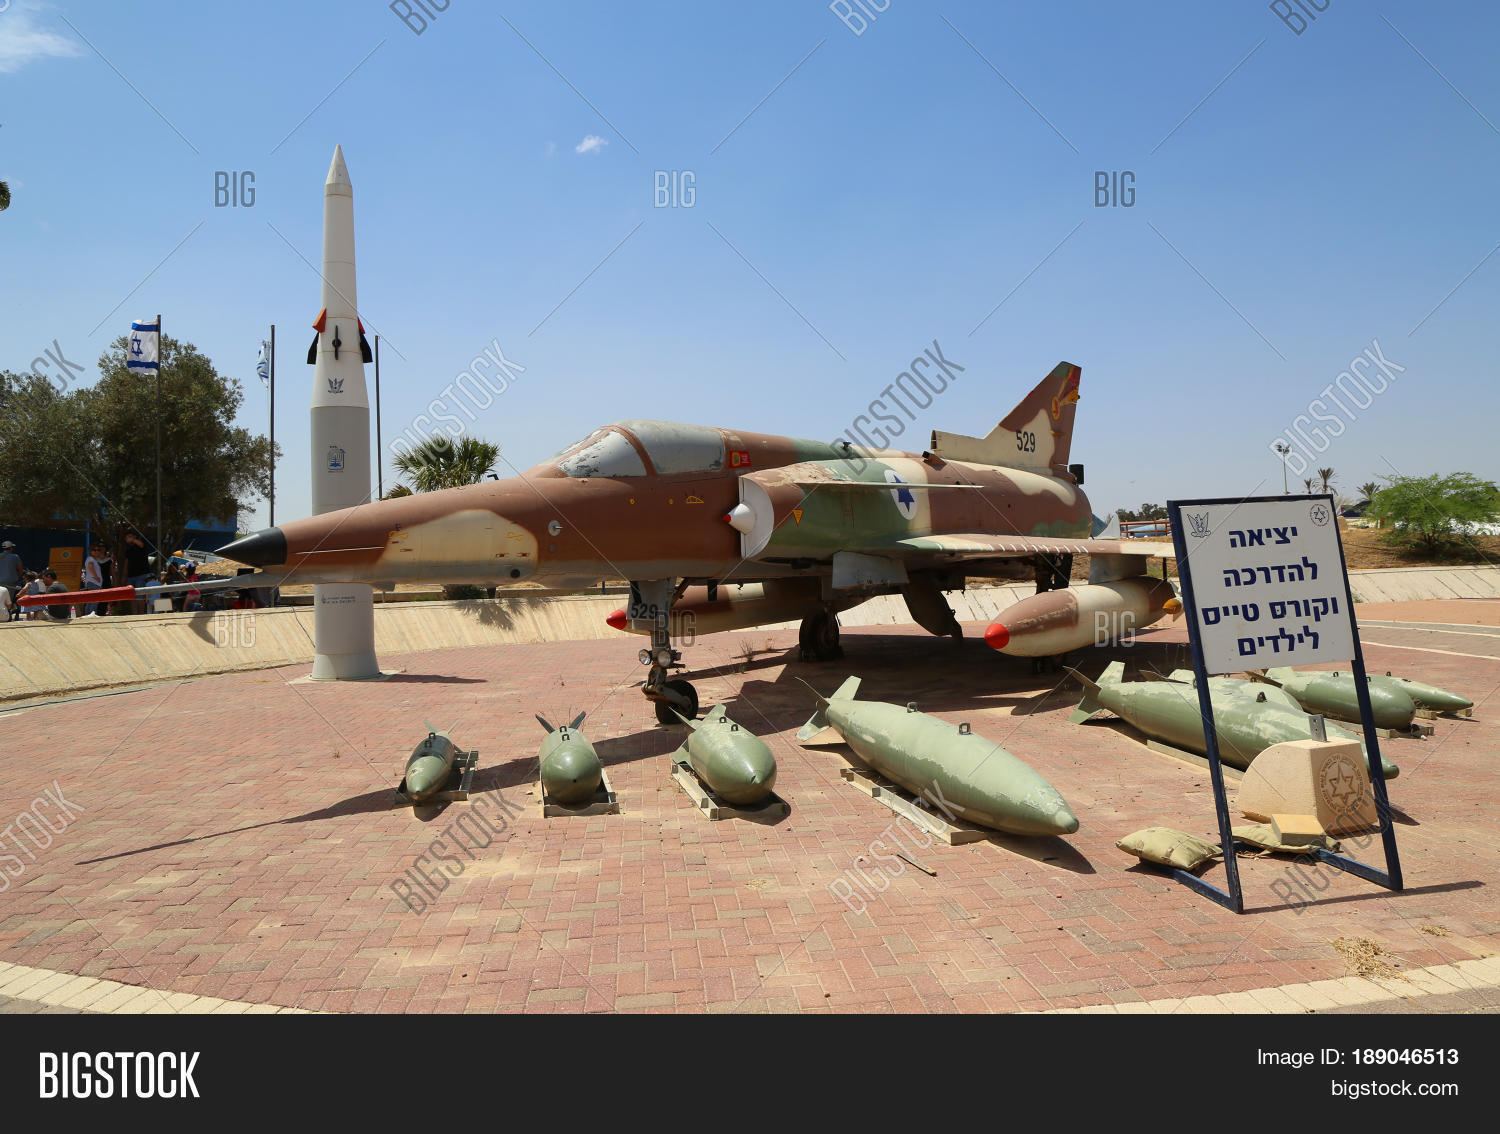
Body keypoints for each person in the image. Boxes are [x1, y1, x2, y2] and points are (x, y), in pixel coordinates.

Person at [122, 530, 152, 614]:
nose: (128, 538)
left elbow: (141, 544)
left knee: (140, 596)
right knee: (132, 597)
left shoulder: (142, 545)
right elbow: (126, 562)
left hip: (142, 575)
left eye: (130, 536)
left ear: (135, 537)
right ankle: (134, 614)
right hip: (130, 576)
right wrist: (124, 575)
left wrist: (132, 539)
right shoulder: (128, 550)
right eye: (127, 537)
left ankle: (141, 614)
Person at [82, 541, 112, 616]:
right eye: (94, 550)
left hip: (94, 583)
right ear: (90, 551)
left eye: (98, 550)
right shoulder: (91, 559)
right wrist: (96, 577)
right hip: (94, 582)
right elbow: (90, 566)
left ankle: (88, 615)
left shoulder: (92, 559)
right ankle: (92, 615)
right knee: (94, 600)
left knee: (91, 600)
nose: (96, 551)